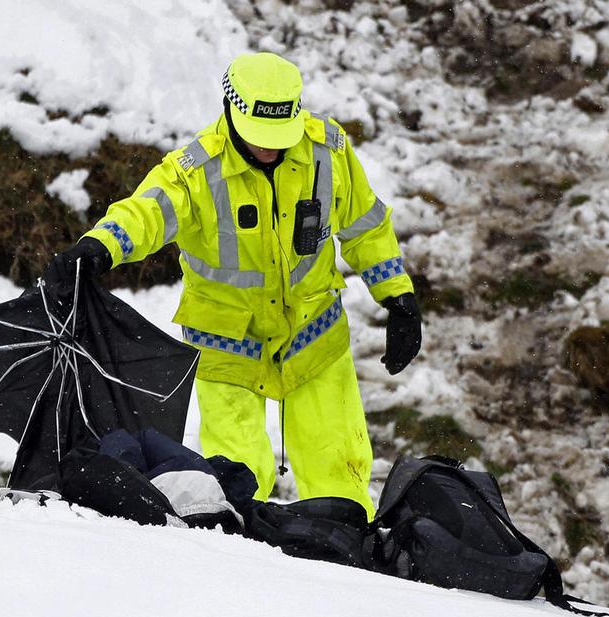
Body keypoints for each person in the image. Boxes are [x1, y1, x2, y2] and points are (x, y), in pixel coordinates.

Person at [44, 52, 421, 519]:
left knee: (339, 469)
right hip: (227, 346)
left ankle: (349, 545)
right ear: (230, 109)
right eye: (260, 137)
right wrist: (100, 246)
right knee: (237, 478)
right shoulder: (194, 170)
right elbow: (144, 213)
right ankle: (244, 554)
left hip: (314, 335)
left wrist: (398, 296)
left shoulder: (327, 151)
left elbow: (366, 226)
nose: (270, 149)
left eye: (279, 137)